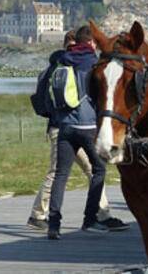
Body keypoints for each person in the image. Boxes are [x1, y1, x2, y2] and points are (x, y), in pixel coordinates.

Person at [28, 30, 127, 232]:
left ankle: (91, 215)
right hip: (85, 126)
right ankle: (39, 214)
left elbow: (43, 98)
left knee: (67, 173)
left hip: (61, 125)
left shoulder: (57, 63)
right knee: (86, 170)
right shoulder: (90, 63)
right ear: (90, 42)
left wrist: (55, 116)